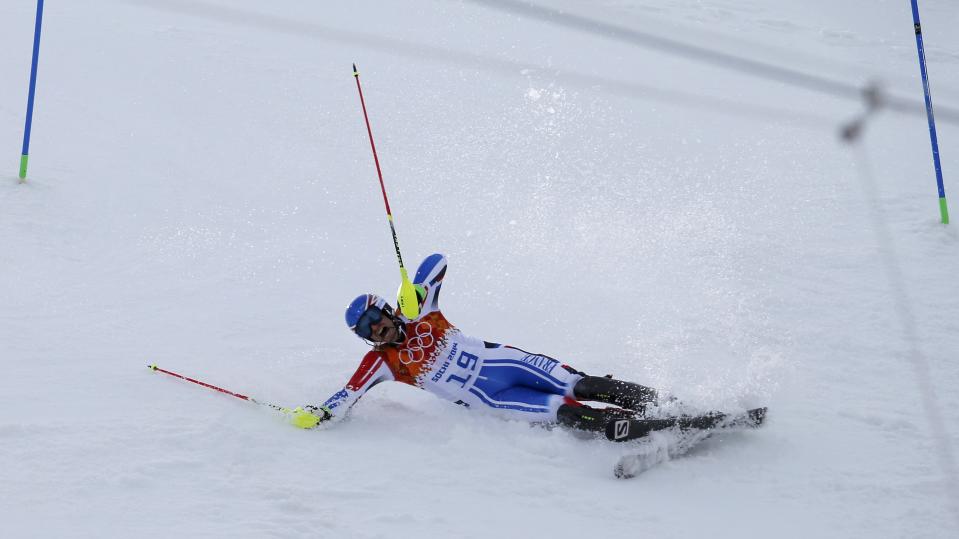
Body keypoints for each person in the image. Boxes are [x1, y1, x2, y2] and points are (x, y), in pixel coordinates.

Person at [301, 253, 663, 434]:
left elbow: (439, 260)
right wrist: (318, 414)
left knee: (577, 384)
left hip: (505, 363)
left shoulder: (417, 311)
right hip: (493, 399)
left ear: (384, 310)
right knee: (561, 409)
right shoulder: (381, 363)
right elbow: (345, 397)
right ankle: (621, 429)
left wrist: (413, 289)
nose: (375, 330)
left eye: (374, 318)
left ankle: (662, 403)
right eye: (365, 330)